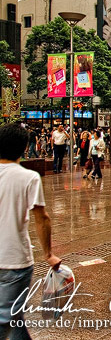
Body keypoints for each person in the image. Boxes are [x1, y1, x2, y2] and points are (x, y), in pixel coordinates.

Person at [0, 124, 61, 340]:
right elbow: (41, 219)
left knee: (13, 321)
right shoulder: (29, 178)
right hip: (15, 260)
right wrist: (48, 254)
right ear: (25, 148)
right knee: (8, 319)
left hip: (13, 262)